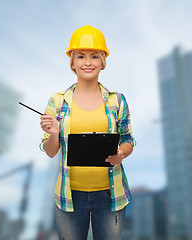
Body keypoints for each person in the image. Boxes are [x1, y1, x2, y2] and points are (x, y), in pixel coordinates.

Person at [40, 25, 136, 240]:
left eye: (94, 56)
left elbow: (128, 140)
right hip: (70, 196)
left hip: (110, 196)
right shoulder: (57, 101)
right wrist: (54, 133)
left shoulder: (117, 100)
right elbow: (50, 152)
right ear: (72, 62)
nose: (87, 62)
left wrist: (121, 154)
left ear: (103, 61)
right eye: (80, 56)